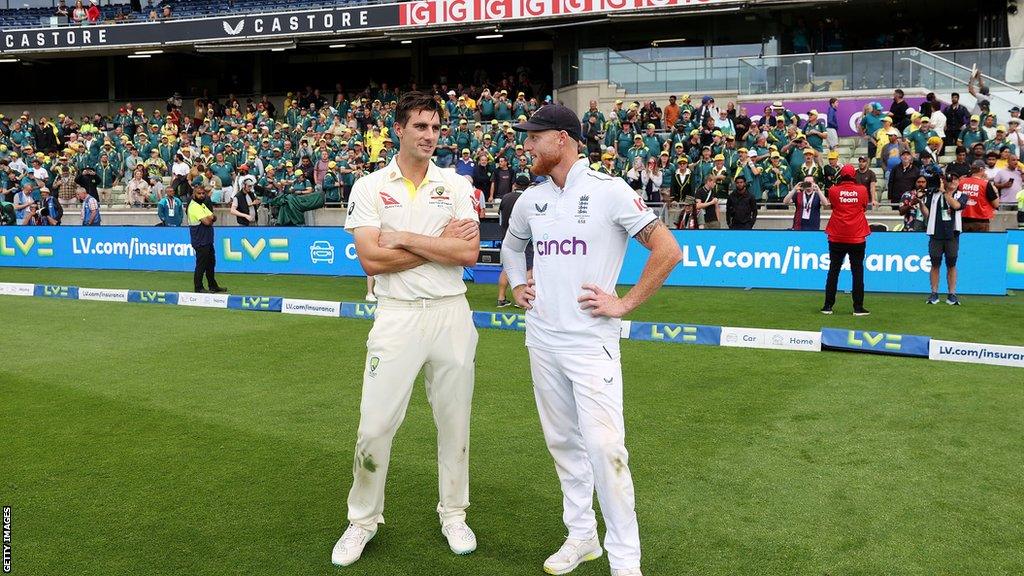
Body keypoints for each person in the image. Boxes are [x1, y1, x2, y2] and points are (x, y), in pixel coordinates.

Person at [501, 104, 682, 576]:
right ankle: (581, 536)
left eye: (533, 137)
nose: (527, 145)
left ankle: (625, 561)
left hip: (589, 343)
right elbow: (511, 244)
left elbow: (668, 250)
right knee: (562, 441)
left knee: (606, 448)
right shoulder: (531, 198)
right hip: (541, 339)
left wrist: (624, 304)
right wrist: (519, 283)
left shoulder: (611, 191)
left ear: (561, 138)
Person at [333, 91, 482, 568]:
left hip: (450, 312)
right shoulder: (370, 186)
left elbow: (468, 255)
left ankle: (454, 513)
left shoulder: (455, 185)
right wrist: (437, 243)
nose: (430, 136)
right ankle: (361, 521)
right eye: (420, 126)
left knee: (454, 422)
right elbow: (371, 260)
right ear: (398, 128)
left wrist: (406, 239)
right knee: (374, 426)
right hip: (396, 314)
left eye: (436, 128)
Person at [822, 164, 870, 316]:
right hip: (856, 236)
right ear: (854, 176)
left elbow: (833, 206)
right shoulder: (862, 190)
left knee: (833, 270)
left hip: (836, 235)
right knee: (857, 272)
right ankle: (858, 307)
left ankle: (828, 306)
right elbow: (864, 207)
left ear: (841, 175)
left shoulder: (833, 190)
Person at [919, 172, 968, 305]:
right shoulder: (934, 194)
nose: (953, 182)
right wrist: (920, 203)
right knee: (935, 264)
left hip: (952, 234)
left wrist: (945, 192)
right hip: (936, 233)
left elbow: (956, 206)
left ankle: (952, 294)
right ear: (944, 181)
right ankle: (934, 293)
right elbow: (927, 214)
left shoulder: (962, 195)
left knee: (951, 265)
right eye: (950, 179)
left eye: (956, 179)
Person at [496, 174, 534, 307]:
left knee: (508, 267)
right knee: (528, 267)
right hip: (523, 237)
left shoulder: (505, 197)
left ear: (515, 185)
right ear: (528, 185)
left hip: (506, 235)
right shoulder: (527, 198)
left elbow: (500, 218)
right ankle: (523, 297)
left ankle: (501, 298)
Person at [186, 186, 224, 293]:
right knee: (201, 265)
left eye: (203, 193)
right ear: (194, 194)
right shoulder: (194, 206)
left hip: (207, 239)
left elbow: (213, 216)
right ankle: (198, 287)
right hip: (200, 240)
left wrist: (210, 218)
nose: (202, 195)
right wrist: (210, 219)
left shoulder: (201, 205)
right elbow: (208, 222)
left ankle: (212, 285)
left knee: (211, 263)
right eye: (199, 193)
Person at [958, 161, 1000, 232]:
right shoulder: (985, 184)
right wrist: (995, 191)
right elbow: (996, 204)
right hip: (981, 221)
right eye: (984, 170)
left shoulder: (961, 182)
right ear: (981, 169)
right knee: (981, 242)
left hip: (963, 220)